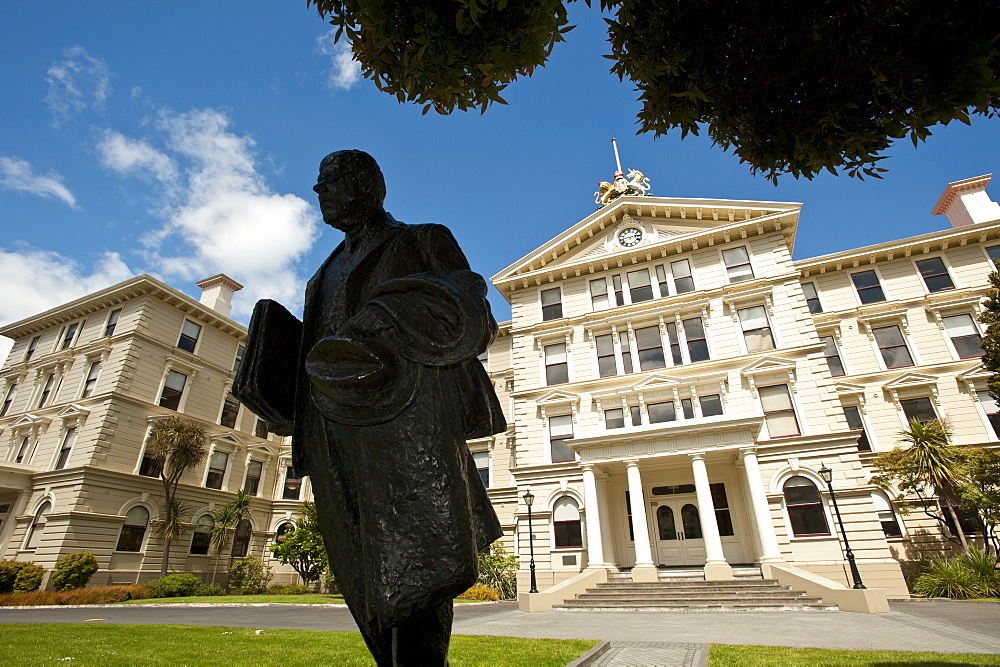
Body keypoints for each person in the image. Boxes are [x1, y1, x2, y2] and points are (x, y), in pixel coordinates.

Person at [236, 149, 504, 665]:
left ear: (365, 184)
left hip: (405, 430)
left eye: (329, 181)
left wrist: (389, 314)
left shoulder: (421, 239)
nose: (319, 193)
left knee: (418, 570)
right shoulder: (322, 275)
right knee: (363, 577)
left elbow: (472, 313)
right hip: (329, 435)